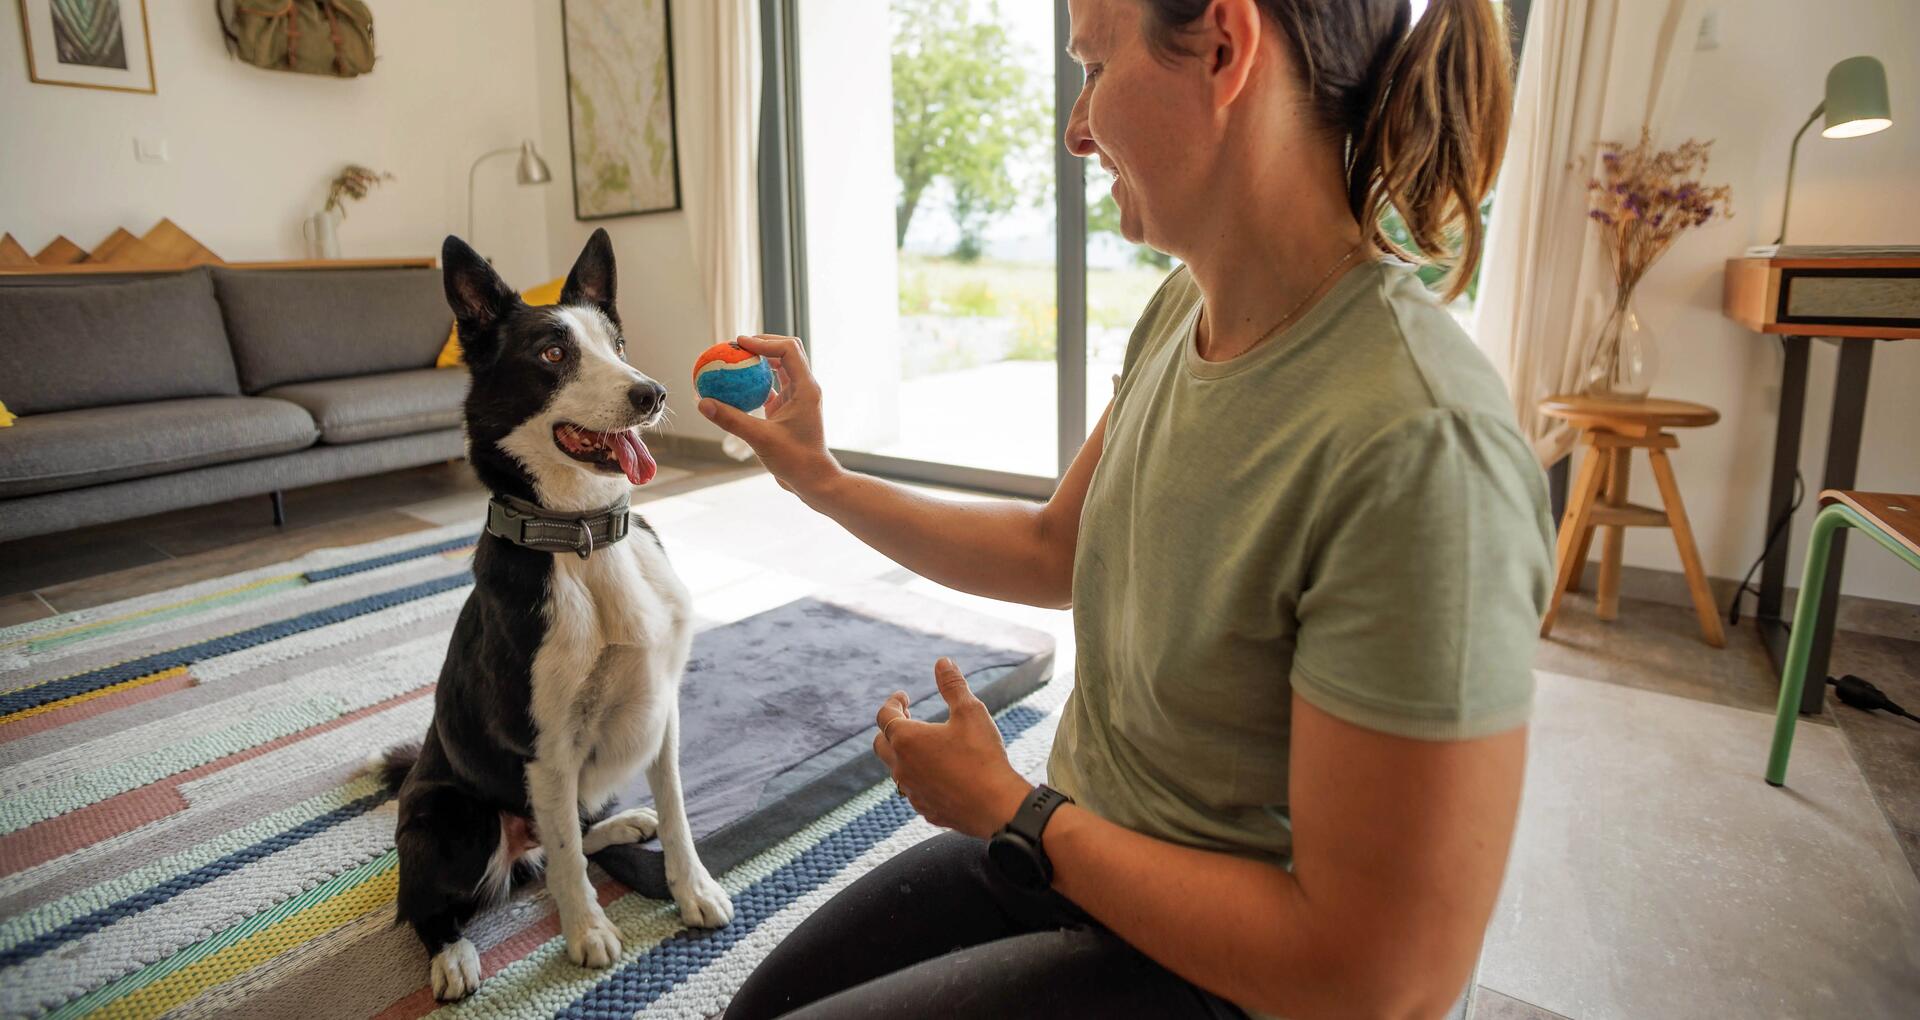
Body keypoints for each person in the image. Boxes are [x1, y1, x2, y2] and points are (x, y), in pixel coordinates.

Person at [710, 0, 1550, 1016]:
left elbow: (1375, 982)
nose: (1075, 127)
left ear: (1226, 50)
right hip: (1085, 862)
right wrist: (821, 477)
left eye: (1094, 67)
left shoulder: (1419, 441)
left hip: (1235, 976)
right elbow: (1052, 548)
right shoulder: (1181, 313)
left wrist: (1015, 812)